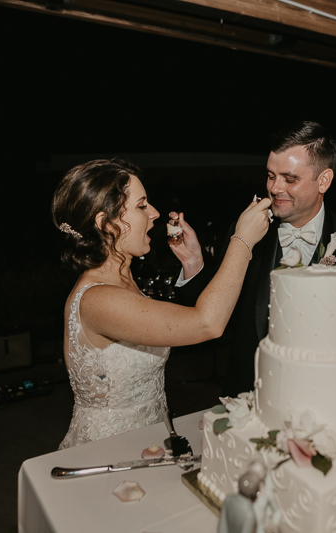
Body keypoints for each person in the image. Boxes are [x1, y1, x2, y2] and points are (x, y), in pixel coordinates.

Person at [170, 121, 336, 396]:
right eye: (271, 175)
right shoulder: (245, 231)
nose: (275, 187)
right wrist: (193, 264)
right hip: (251, 397)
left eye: (290, 178)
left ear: (324, 181)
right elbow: (215, 316)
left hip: (335, 396)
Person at [51, 159, 270, 449]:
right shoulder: (98, 299)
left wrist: (192, 261)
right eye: (141, 206)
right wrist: (242, 240)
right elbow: (208, 323)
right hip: (109, 447)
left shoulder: (123, 282)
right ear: (106, 223)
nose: (154, 213)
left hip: (151, 436)